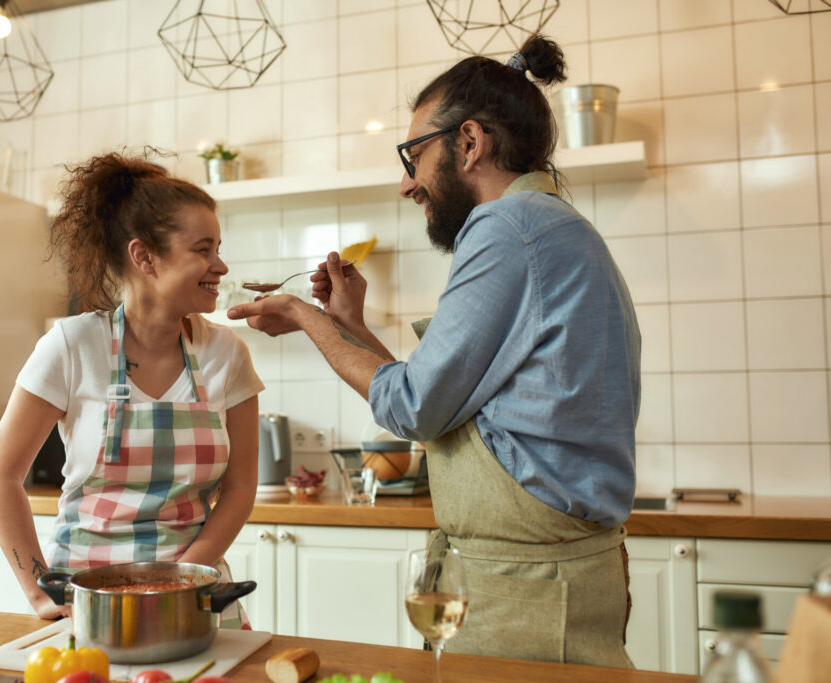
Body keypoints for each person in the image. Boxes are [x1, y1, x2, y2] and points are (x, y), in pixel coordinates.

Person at [227, 35, 641, 666]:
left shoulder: (507, 228)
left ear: (469, 143)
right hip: (537, 578)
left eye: (412, 155)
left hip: (525, 590)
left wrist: (305, 319)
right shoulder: (551, 227)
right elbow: (441, 393)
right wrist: (350, 325)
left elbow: (414, 405)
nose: (406, 184)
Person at [0, 151, 264, 626]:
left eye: (218, 247)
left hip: (194, 597)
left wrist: (181, 580)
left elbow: (239, 489)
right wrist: (37, 591)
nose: (221, 265)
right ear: (144, 256)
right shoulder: (72, 345)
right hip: (85, 605)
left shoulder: (227, 353)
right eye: (203, 249)